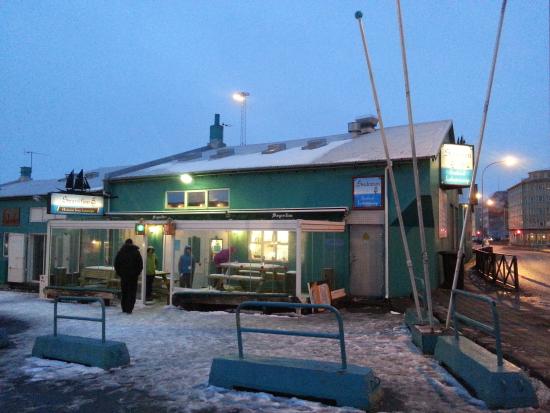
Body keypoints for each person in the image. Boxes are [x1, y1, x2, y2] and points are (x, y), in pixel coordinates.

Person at [114, 239, 143, 314]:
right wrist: (136, 273)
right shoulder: (136, 252)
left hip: (124, 276)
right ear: (132, 243)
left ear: (125, 243)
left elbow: (116, 264)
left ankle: (124, 308)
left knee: (125, 292)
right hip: (133, 277)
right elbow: (140, 265)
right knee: (132, 292)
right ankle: (129, 308)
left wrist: (120, 274)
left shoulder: (121, 252)